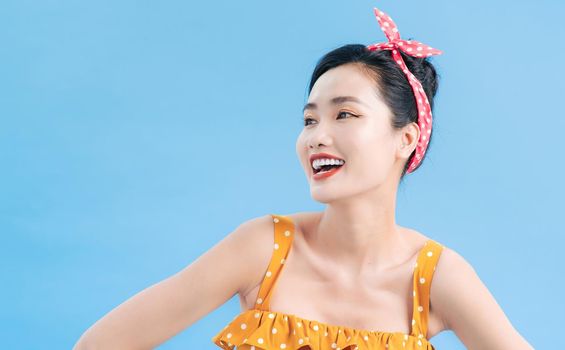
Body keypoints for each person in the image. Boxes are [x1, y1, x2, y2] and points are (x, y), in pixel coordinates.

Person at [74, 7, 533, 350]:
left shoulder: (435, 278)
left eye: (345, 114)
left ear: (406, 139)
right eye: (310, 120)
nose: (317, 137)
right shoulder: (264, 248)